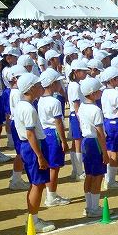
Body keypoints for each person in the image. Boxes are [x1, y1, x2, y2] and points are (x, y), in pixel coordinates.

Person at [13, 73, 55, 233]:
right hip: (32, 147)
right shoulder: (28, 108)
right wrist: (40, 156)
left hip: (29, 146)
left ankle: (33, 218)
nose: (41, 88)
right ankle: (34, 220)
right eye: (38, 85)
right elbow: (30, 134)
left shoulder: (22, 106)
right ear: (31, 88)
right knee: (38, 184)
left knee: (36, 183)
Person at [38, 68, 70, 207]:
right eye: (57, 82)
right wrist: (63, 140)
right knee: (54, 167)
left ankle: (50, 193)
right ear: (51, 84)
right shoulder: (54, 102)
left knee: (51, 166)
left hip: (45, 133)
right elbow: (58, 123)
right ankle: (51, 196)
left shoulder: (41, 100)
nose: (60, 85)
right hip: (54, 135)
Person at [77, 77, 108, 218]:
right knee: (98, 176)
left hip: (86, 142)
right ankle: (95, 208)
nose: (100, 93)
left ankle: (89, 206)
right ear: (92, 93)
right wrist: (105, 152)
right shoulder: (96, 110)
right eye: (98, 91)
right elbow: (101, 133)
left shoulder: (82, 107)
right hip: (95, 143)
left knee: (89, 175)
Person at [99, 67, 118, 190]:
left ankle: (108, 178)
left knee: (111, 151)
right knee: (115, 154)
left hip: (106, 122)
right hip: (115, 124)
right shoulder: (116, 93)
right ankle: (111, 181)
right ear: (112, 80)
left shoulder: (104, 92)